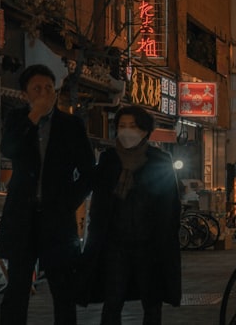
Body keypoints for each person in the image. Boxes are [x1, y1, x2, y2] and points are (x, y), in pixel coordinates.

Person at [0, 64, 95, 325]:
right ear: (25, 93)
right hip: (22, 218)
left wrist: (68, 203)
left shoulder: (71, 125)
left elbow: (87, 172)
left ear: (56, 91)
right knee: (17, 288)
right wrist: (34, 116)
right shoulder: (17, 119)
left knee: (63, 290)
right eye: (36, 88)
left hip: (57, 221)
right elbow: (9, 149)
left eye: (49, 88)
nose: (43, 93)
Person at [80, 106, 181, 324]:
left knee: (152, 303)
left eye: (133, 126)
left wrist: (167, 239)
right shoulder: (108, 160)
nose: (127, 131)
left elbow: (170, 206)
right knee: (112, 301)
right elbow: (96, 198)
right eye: (122, 126)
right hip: (114, 244)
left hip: (150, 245)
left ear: (145, 130)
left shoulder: (159, 161)